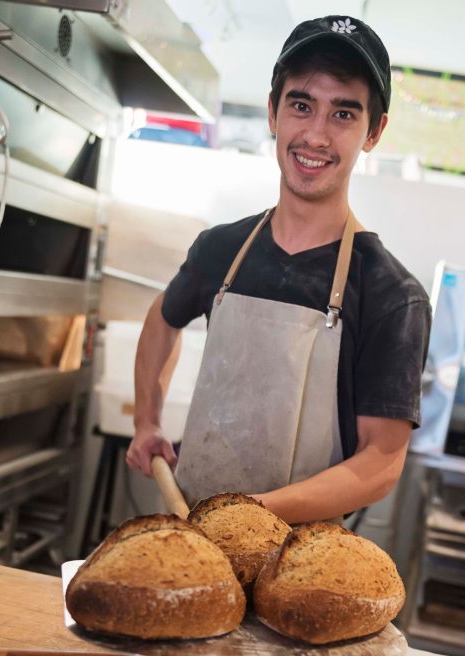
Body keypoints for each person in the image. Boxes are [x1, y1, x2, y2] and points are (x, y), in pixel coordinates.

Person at [127, 14, 431, 523]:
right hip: (192, 536)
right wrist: (145, 420)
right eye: (301, 105)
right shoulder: (219, 250)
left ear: (373, 132)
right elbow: (162, 320)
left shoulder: (391, 294)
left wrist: (248, 515)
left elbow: (381, 461)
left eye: (343, 114)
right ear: (273, 112)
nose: (314, 135)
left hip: (303, 570)